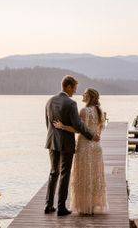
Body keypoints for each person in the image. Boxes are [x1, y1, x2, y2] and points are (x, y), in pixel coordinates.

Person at [44, 75, 100, 216]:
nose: (75, 91)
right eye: (74, 88)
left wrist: (53, 136)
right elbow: (78, 125)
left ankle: (48, 205)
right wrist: (91, 135)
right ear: (68, 86)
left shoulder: (49, 101)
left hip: (51, 141)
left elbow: (47, 124)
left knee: (53, 172)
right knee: (64, 173)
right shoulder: (71, 103)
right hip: (66, 143)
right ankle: (61, 207)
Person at [53, 88, 108, 215]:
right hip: (96, 147)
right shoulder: (99, 111)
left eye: (85, 93)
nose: (82, 95)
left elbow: (79, 129)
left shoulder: (84, 110)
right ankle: (93, 204)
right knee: (94, 175)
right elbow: (99, 132)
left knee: (84, 175)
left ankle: (85, 207)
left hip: (85, 146)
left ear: (89, 97)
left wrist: (63, 126)